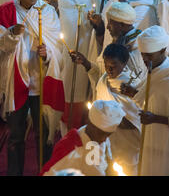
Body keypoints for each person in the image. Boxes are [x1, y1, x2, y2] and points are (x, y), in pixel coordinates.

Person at [0, 0, 63, 176]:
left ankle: (45, 171)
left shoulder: (47, 11)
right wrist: (12, 35)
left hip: (41, 80)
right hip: (16, 82)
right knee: (16, 135)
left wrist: (47, 52)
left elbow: (57, 47)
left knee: (44, 131)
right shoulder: (5, 11)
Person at [59, 0, 97, 132]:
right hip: (73, 46)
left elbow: (72, 21)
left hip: (77, 47)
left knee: (72, 89)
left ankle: (71, 131)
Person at [121, 26, 169, 176]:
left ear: (163, 50)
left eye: (149, 55)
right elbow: (153, 98)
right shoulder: (154, 69)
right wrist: (134, 93)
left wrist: (155, 118)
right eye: (142, 55)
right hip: (150, 139)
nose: (145, 60)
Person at [89, 44, 141, 176]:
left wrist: (109, 119)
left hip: (127, 145)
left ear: (124, 64)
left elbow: (136, 122)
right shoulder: (103, 81)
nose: (109, 69)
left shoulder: (133, 86)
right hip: (107, 141)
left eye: (114, 65)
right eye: (106, 65)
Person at [41, 100, 125, 176]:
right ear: (88, 122)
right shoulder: (73, 151)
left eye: (108, 135)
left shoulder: (95, 136)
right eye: (101, 134)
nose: (104, 139)